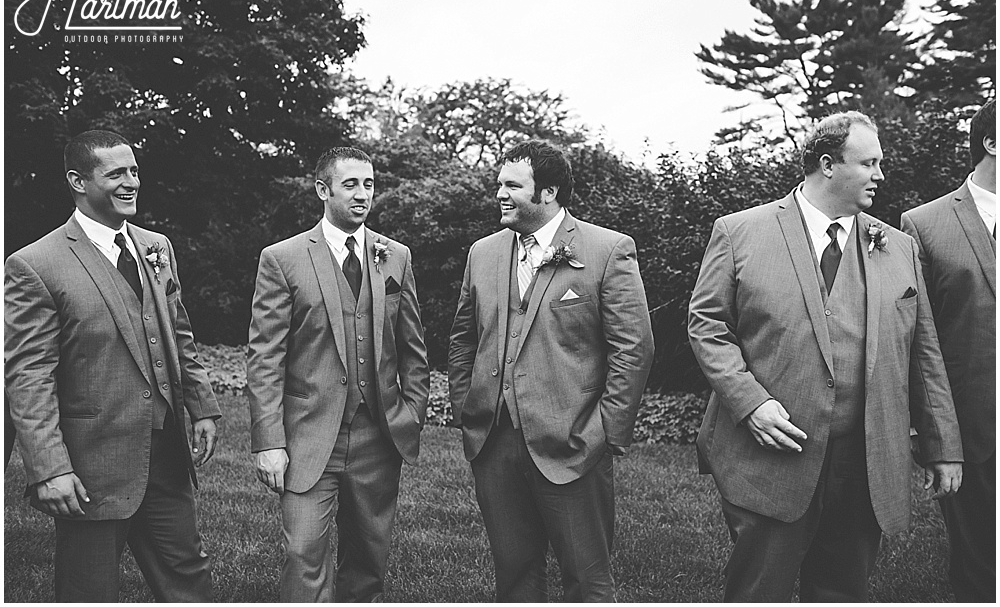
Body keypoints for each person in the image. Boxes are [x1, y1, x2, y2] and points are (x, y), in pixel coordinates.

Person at [688, 112, 964, 602]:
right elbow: (707, 326)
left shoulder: (898, 246)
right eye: (870, 163)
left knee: (842, 590)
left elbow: (924, 350)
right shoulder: (739, 231)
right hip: (771, 453)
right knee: (757, 591)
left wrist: (942, 445)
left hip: (864, 461)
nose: (881, 175)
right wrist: (749, 401)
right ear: (827, 165)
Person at [4, 130, 221, 601]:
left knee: (190, 581)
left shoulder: (155, 246)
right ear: (78, 181)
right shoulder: (35, 264)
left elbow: (178, 334)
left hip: (165, 455)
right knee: (89, 592)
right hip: (91, 467)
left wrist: (202, 407)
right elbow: (27, 376)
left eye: (135, 171)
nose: (131, 183)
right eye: (116, 173)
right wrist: (49, 468)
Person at [449, 140, 654, 601]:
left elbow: (633, 348)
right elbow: (463, 338)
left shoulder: (607, 250)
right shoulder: (482, 253)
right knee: (515, 575)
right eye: (499, 183)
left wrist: (603, 432)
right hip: (494, 443)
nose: (499, 193)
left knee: (587, 578)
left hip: (574, 444)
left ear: (549, 193)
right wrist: (468, 408)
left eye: (511, 185)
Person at [247, 147, 430, 601]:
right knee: (303, 553)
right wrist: (269, 441)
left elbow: (414, 350)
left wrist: (411, 414)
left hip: (378, 435)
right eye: (351, 184)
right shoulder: (283, 258)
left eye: (369, 184)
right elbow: (264, 356)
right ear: (322, 190)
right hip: (310, 435)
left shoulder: (396, 256)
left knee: (369, 558)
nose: (363, 194)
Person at [900, 99, 995, 602]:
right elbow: (920, 339)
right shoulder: (924, 224)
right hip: (975, 425)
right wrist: (933, 433)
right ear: (992, 143)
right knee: (978, 568)